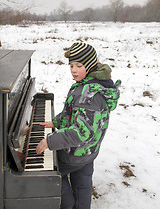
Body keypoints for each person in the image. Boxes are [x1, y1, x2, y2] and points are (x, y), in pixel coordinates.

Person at [36, 42, 121, 209]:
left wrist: (50, 141)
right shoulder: (93, 84)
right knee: (83, 185)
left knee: (53, 176)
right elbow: (72, 114)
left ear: (90, 65)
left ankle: (67, 205)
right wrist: (55, 122)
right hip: (88, 152)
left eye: (79, 65)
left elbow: (81, 132)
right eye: (71, 66)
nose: (73, 70)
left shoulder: (89, 94)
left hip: (74, 154)